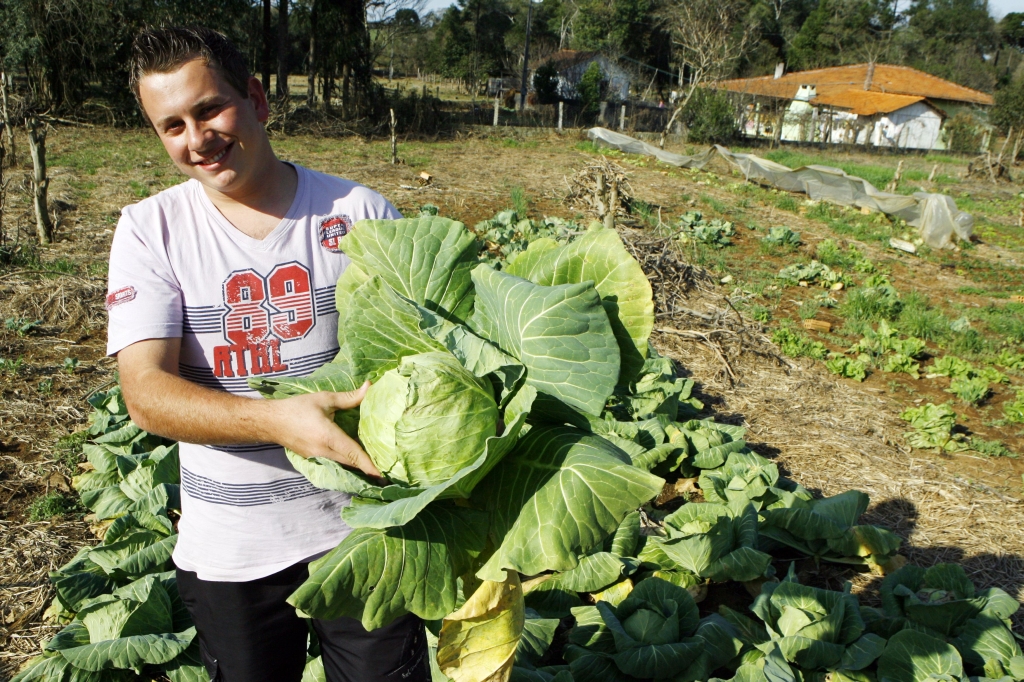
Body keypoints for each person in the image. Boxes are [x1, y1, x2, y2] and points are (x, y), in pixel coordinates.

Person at [107, 26, 429, 682]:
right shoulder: (151, 230)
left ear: (255, 97)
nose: (196, 140)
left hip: (369, 534)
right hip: (231, 552)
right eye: (171, 126)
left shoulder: (360, 212)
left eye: (208, 109)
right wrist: (277, 422)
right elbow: (144, 393)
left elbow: (427, 354)